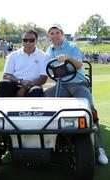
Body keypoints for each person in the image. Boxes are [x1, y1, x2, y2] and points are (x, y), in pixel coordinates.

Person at [45, 23, 108, 165]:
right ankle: (50, 139)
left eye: (57, 33)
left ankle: (98, 148)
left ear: (62, 34)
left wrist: (67, 58)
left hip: (78, 83)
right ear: (49, 36)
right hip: (61, 84)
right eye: (52, 33)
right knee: (44, 99)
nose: (54, 36)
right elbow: (48, 70)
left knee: (89, 109)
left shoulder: (72, 47)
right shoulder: (50, 49)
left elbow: (79, 65)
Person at [0, 29, 49, 97]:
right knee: (3, 84)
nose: (28, 43)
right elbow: (6, 75)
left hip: (33, 85)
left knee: (36, 91)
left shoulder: (44, 56)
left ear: (36, 41)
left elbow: (43, 78)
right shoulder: (13, 55)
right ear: (22, 41)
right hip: (16, 83)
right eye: (25, 40)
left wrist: (26, 87)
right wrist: (20, 82)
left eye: (31, 40)